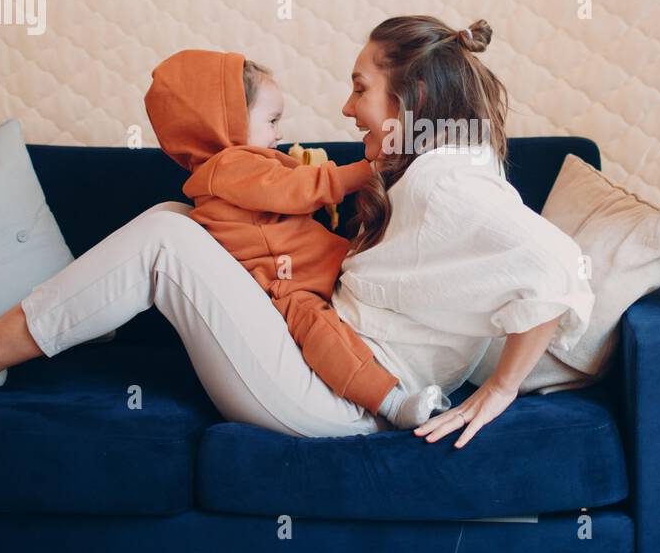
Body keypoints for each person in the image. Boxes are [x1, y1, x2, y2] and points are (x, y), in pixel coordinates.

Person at [0, 16, 594, 449]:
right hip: (329, 364)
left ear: (417, 97)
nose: (346, 108)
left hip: (343, 397)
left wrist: (500, 390)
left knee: (166, 236)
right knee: (179, 221)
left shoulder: (449, 179)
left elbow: (556, 264)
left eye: (361, 87)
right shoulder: (433, 168)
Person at [142, 47, 449, 429]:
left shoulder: (242, 167)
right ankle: (391, 401)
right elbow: (303, 188)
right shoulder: (229, 166)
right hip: (285, 287)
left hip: (313, 266)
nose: (279, 133)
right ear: (227, 122)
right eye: (271, 120)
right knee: (323, 335)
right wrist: (369, 169)